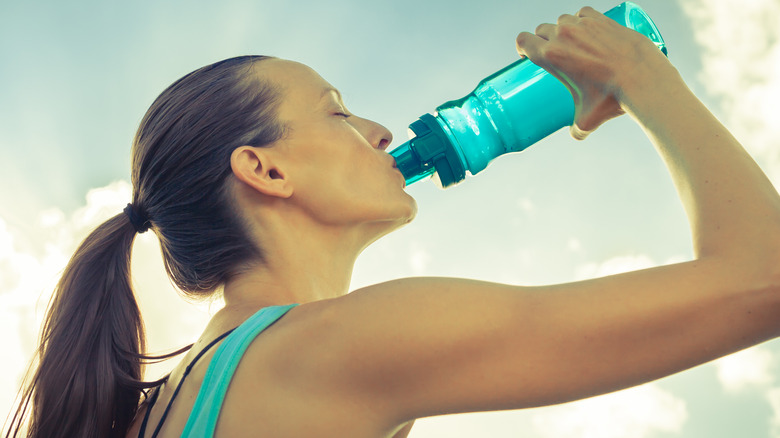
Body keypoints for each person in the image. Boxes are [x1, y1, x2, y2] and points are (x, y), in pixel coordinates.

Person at [6, 6, 780, 438]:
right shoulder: (337, 346)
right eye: (336, 110)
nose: (379, 131)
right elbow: (764, 279)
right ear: (265, 170)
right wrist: (646, 78)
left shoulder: (163, 406)